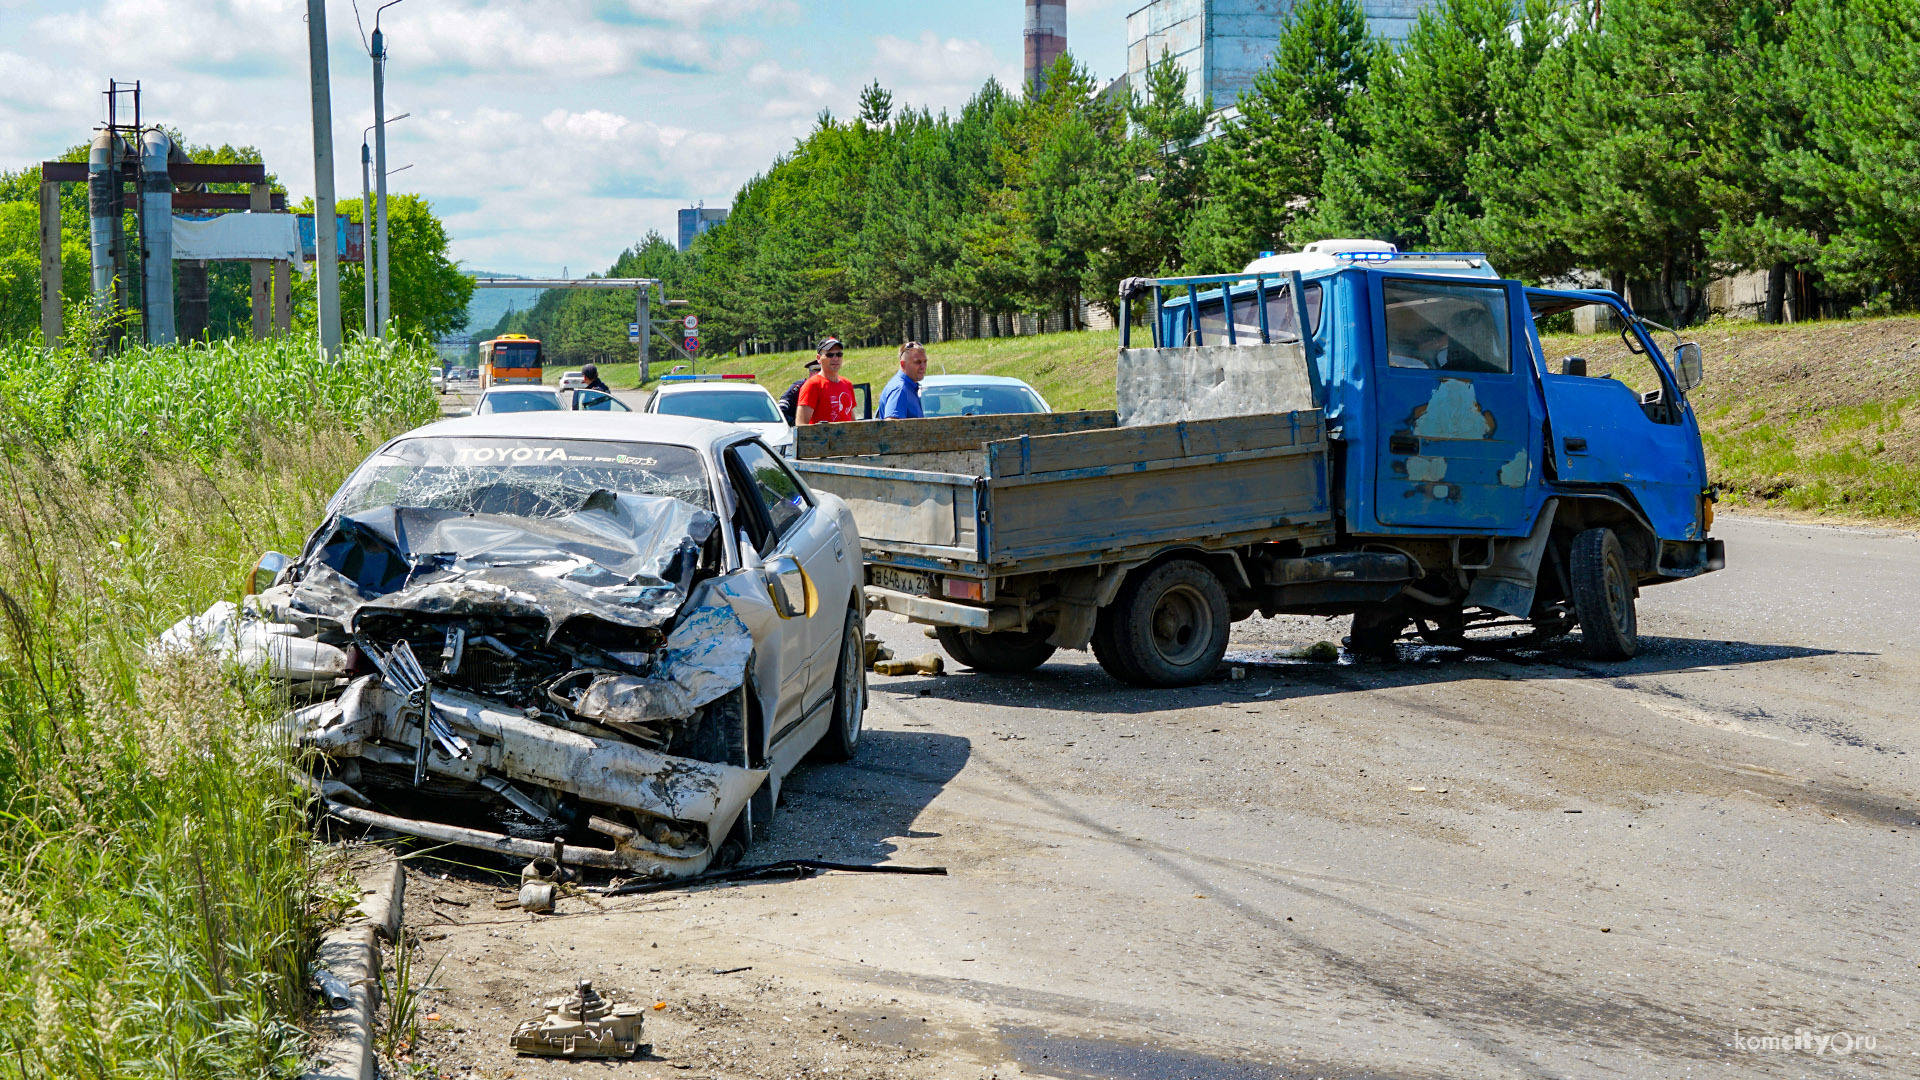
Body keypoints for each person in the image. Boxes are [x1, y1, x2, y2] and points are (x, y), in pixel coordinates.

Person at [796, 337, 857, 424]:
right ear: (818, 358)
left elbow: (853, 422)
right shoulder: (812, 385)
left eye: (839, 354)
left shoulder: (847, 384)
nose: (835, 358)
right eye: (830, 355)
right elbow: (801, 425)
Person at [876, 341, 928, 419]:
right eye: (918, 362)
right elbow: (891, 426)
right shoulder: (900, 390)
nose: (923, 366)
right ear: (903, 364)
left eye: (925, 361)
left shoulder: (908, 387)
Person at [778, 357, 821, 425]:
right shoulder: (800, 385)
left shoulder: (825, 387)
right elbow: (785, 401)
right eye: (818, 373)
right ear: (811, 373)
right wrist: (786, 420)